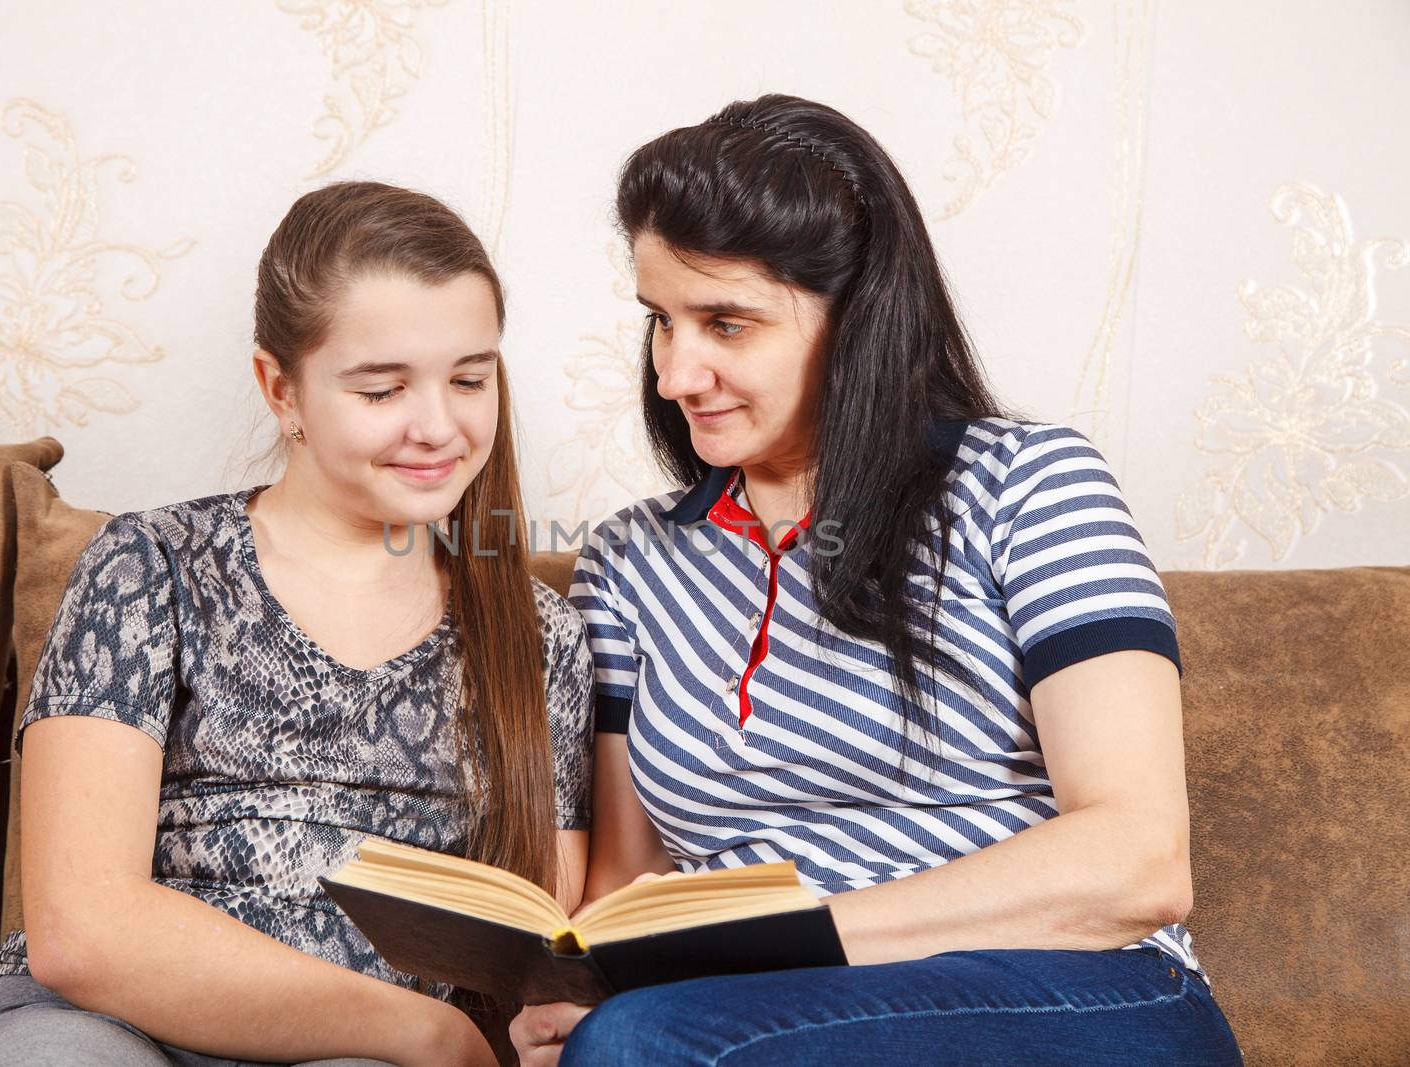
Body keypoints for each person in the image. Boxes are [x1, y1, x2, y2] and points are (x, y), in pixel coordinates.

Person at [511, 94, 1243, 1066]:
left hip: (1077, 991)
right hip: (761, 1018)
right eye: (661, 320)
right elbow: (629, 889)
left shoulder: (1027, 485)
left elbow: (1137, 859)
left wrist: (783, 942)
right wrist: (581, 1000)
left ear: (858, 321)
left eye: (726, 323)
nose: (674, 374)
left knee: (651, 1043)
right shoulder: (631, 560)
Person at [0, 181, 593, 1067]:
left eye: (470, 378)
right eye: (381, 389)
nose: (439, 425)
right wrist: (429, 1030)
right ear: (280, 388)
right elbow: (82, 929)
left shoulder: (542, 637)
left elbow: (536, 937)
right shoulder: (150, 564)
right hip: (108, 1025)